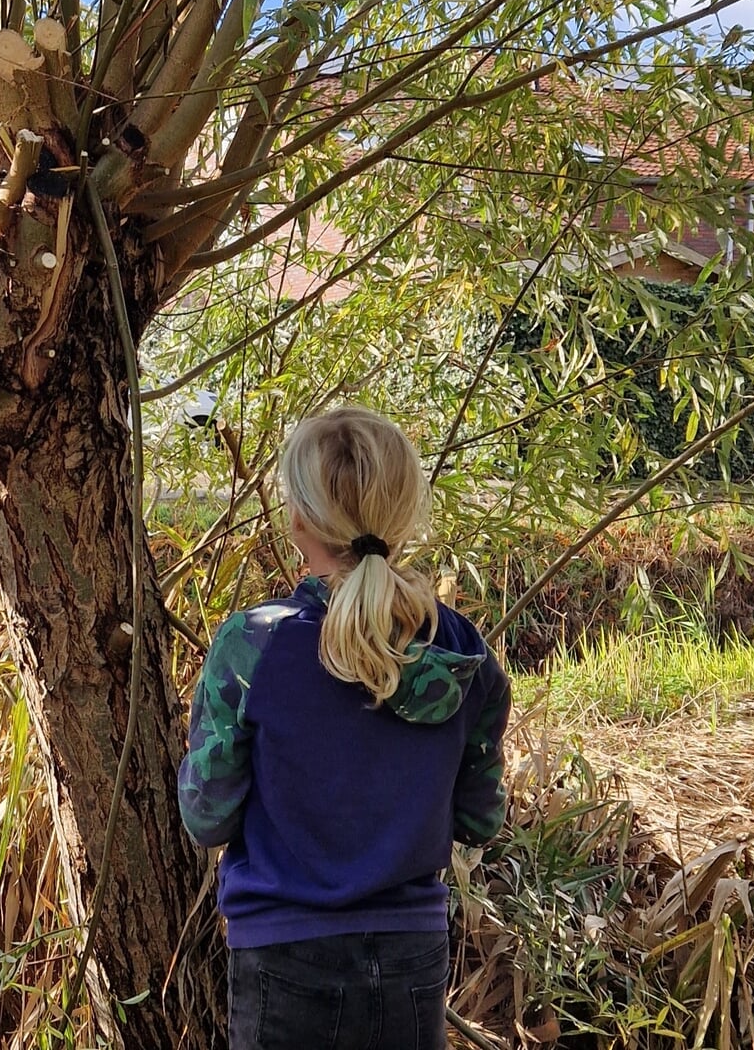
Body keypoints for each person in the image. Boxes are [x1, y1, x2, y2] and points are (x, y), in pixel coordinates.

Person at [177, 406, 512, 1050]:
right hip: (412, 957)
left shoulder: (254, 646)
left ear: (298, 518)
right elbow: (481, 819)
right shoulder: (464, 652)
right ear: (403, 514)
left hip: (283, 952)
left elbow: (206, 817)